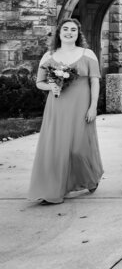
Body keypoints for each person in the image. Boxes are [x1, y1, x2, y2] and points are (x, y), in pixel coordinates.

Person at [28, 19, 103, 204]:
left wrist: (93, 106)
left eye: (74, 30)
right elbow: (40, 82)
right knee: (56, 148)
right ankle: (53, 189)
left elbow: (94, 81)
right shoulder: (49, 56)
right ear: (59, 33)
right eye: (66, 29)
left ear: (78, 34)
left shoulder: (88, 54)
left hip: (81, 107)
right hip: (57, 107)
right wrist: (50, 86)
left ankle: (90, 176)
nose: (69, 32)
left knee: (79, 148)